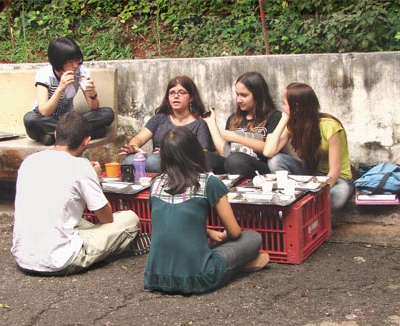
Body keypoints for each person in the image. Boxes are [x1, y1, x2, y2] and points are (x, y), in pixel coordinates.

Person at [11, 112, 146, 276]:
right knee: (129, 218)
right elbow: (106, 218)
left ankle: (108, 240)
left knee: (65, 216)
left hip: (23, 257)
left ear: (55, 134)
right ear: (86, 141)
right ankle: (124, 243)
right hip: (60, 261)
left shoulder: (30, 161)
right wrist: (93, 177)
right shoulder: (81, 167)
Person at [144, 127, 270, 294]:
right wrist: (223, 235)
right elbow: (234, 232)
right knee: (252, 237)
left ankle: (234, 265)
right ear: (196, 151)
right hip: (199, 278)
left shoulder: (156, 183)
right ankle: (235, 268)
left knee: (204, 245)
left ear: (164, 156)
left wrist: (208, 232)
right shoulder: (208, 182)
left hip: (155, 277)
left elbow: (170, 224)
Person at [263, 82, 353, 210]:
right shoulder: (293, 125)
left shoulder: (329, 126)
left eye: (285, 104)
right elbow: (268, 152)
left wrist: (317, 193)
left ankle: (307, 206)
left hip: (337, 179)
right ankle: (293, 197)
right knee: (275, 160)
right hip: (310, 176)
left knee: (337, 197)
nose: (283, 107)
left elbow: (335, 171)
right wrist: (283, 119)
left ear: (297, 106)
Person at [118, 75, 225, 174]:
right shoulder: (160, 118)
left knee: (153, 161)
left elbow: (203, 154)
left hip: (182, 163)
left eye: (182, 92)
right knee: (129, 161)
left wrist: (170, 152)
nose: (176, 96)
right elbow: (139, 138)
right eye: (172, 93)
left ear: (191, 97)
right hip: (157, 161)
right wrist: (134, 147)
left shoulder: (200, 122)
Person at [23, 37, 114, 146]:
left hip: (68, 120)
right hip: (44, 121)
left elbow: (94, 107)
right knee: (30, 118)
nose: (75, 65)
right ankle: (74, 135)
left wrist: (92, 94)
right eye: (70, 62)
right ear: (58, 62)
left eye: (77, 60)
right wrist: (60, 88)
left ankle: (53, 136)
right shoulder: (44, 74)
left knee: (107, 114)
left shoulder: (81, 71)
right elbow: (44, 112)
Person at [203, 72, 282, 178]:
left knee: (236, 160)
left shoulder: (274, 116)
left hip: (260, 168)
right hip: (232, 163)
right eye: (237, 94)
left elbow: (268, 149)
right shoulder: (234, 118)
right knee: (205, 157)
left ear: (258, 95)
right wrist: (211, 123)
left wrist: (236, 137)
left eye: (244, 95)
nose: (238, 100)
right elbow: (225, 151)